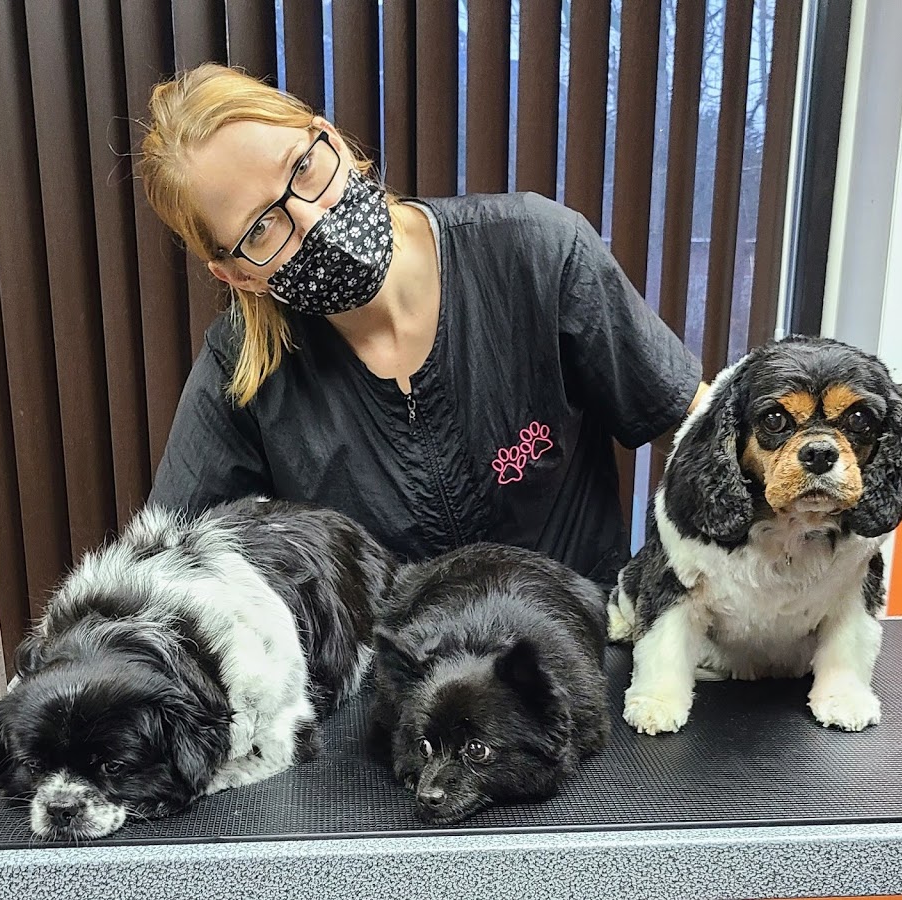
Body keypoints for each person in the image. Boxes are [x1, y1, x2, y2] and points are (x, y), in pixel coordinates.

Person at [141, 63, 707, 587]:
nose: (313, 220)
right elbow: (158, 577)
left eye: (302, 167)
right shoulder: (241, 372)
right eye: (262, 228)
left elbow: (704, 431)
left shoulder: (536, 250)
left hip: (580, 649)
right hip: (394, 665)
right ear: (239, 274)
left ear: (331, 138)